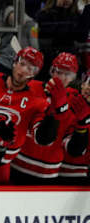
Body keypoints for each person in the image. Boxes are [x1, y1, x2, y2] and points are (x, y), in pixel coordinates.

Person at [0, 47, 56, 184]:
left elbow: (42, 139)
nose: (23, 71)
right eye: (22, 64)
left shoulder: (37, 102)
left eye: (30, 69)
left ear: (35, 74)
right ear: (14, 62)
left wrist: (53, 115)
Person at [11, 52, 88, 183]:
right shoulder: (32, 87)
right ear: (52, 71)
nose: (62, 77)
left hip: (48, 171)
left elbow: (74, 149)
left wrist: (82, 124)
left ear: (73, 78)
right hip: (17, 162)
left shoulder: (76, 102)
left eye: (67, 74)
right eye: (59, 72)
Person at [59, 69, 90, 184]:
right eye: (89, 84)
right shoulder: (68, 96)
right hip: (52, 169)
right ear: (82, 84)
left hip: (79, 175)